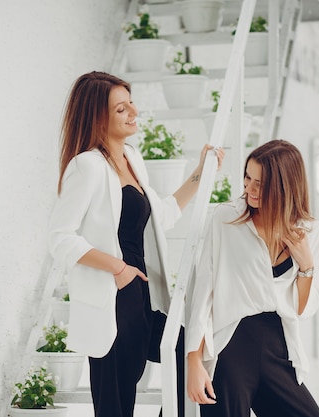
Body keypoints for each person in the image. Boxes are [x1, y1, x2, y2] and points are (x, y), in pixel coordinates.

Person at [47, 71, 224, 417]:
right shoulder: (87, 167)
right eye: (121, 109)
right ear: (97, 115)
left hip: (143, 299)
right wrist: (118, 268)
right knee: (116, 407)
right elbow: (60, 238)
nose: (134, 112)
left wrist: (201, 172)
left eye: (132, 104)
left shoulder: (132, 158)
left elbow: (164, 215)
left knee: (189, 351)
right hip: (112, 302)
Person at [186, 139, 319, 417]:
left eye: (259, 183)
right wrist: (193, 360)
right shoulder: (226, 218)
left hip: (279, 347)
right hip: (232, 343)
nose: (249, 189)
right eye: (247, 178)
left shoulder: (311, 232)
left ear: (284, 187)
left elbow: (302, 309)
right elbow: (204, 292)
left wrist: (306, 265)